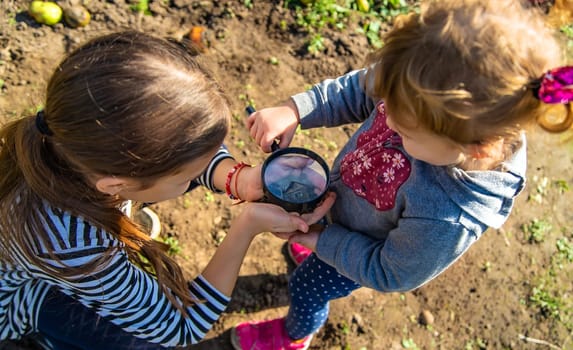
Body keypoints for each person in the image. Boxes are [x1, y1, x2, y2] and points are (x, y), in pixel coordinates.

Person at [231, 0, 573, 349]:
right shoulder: (417, 79)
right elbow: (360, 90)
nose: (386, 117)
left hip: (357, 249)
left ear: (477, 148)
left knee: (306, 286)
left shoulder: (446, 217)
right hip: (338, 212)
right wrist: (296, 110)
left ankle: (295, 334)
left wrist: (324, 241)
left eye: (405, 131)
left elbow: (389, 270)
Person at [0, 30, 336, 350]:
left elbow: (181, 149)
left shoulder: (72, 135)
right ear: (118, 184)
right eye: (186, 176)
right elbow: (180, 324)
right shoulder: (74, 244)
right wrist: (246, 226)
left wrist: (237, 178)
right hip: (28, 296)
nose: (197, 175)